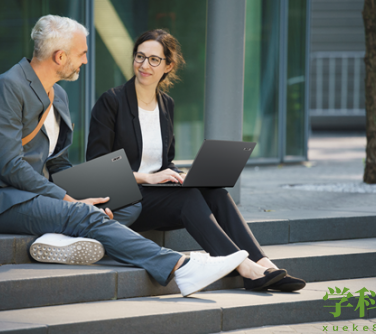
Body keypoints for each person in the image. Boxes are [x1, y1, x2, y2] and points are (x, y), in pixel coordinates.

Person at [0, 15, 252, 297]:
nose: (86, 61)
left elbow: (57, 163)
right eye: (82, 54)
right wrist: (69, 199)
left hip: (33, 194)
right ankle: (180, 266)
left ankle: (60, 237)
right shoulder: (8, 87)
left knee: (124, 204)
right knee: (84, 211)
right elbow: (9, 165)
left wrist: (86, 190)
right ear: (60, 56)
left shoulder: (58, 96)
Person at [86, 29, 305, 292]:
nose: (145, 65)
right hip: (126, 199)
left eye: (154, 59)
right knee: (187, 199)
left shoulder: (166, 104)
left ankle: (264, 262)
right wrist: (147, 177)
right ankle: (245, 268)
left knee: (216, 193)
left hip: (157, 195)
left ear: (168, 65)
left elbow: (166, 161)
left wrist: (182, 175)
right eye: (140, 57)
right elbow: (97, 167)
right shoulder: (112, 102)